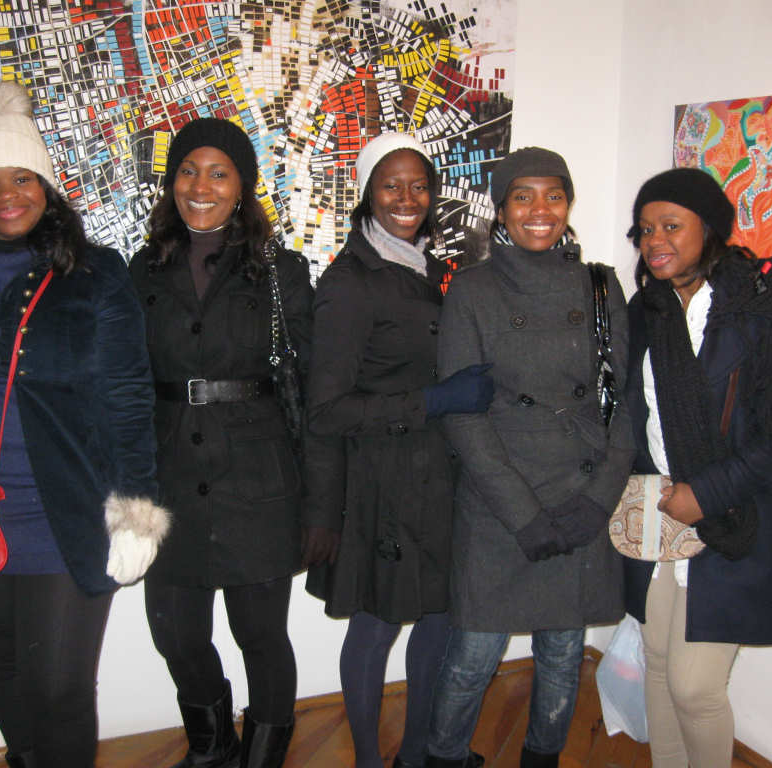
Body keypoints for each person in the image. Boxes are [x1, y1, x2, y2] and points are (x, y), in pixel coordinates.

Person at [0, 81, 166, 768]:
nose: (6, 196)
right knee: (9, 670)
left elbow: (128, 395)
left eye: (21, 177)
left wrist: (137, 509)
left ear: (46, 184)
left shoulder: (95, 272)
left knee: (61, 688)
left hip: (67, 508)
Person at [426, 148, 635, 768]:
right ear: (501, 209)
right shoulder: (472, 289)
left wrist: (597, 502)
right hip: (500, 502)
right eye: (523, 196)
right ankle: (443, 758)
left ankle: (542, 758)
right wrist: (523, 514)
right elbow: (463, 414)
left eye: (554, 195)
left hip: (578, 494)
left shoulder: (600, 286)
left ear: (568, 204)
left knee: (564, 653)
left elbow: (624, 403)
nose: (539, 210)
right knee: (472, 657)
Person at [131, 117, 328, 768]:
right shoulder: (142, 270)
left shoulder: (279, 271)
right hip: (169, 477)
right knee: (175, 635)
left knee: (261, 635)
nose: (201, 186)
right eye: (189, 170)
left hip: (258, 476)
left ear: (242, 185)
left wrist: (320, 497)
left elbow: (310, 385)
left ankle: (264, 756)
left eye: (219, 173)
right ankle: (213, 748)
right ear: (172, 182)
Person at [305, 132, 494, 768]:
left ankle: (414, 755)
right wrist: (434, 401)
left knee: (439, 617)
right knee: (377, 624)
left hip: (442, 476)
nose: (407, 198)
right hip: (381, 482)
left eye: (419, 186)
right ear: (368, 193)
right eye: (391, 185)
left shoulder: (433, 273)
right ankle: (367, 759)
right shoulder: (350, 282)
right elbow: (326, 410)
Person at [622, 167, 772, 768]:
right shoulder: (647, 308)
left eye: (671, 226)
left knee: (695, 687)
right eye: (645, 229)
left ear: (708, 228)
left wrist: (705, 494)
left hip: (735, 510)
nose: (655, 240)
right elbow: (631, 409)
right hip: (660, 505)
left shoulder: (769, 305)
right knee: (658, 659)